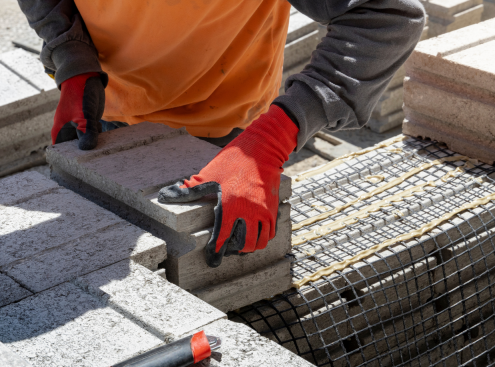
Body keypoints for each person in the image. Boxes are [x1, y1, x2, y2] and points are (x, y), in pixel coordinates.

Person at [19, 0, 425, 267]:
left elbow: (388, 16)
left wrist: (269, 141)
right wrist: (71, 53)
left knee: (216, 270)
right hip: (109, 101)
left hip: (225, 115)